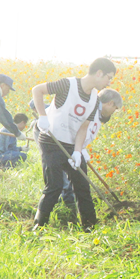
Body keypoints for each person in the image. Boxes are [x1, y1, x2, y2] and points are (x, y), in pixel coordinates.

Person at [32, 57, 116, 231]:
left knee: (82, 186)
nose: (109, 82)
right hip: (52, 141)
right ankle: (38, 225)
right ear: (99, 73)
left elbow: (84, 127)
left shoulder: (94, 99)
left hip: (71, 146)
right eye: (109, 77)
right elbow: (37, 90)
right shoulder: (67, 85)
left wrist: (78, 152)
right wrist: (42, 116)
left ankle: (90, 226)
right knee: (54, 186)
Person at [29, 99, 75, 206]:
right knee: (56, 165)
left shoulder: (53, 110)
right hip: (47, 138)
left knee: (65, 164)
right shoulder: (38, 122)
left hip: (61, 135)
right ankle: (64, 197)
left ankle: (67, 195)